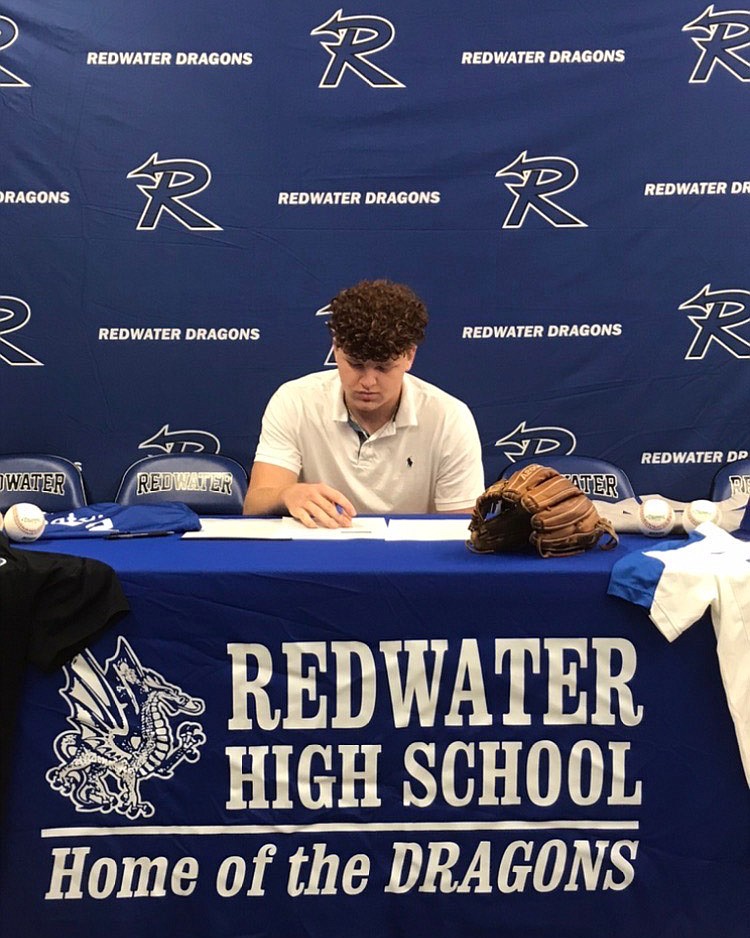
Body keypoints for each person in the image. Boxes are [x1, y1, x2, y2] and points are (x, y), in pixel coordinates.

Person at [244, 279, 485, 527]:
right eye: (356, 364)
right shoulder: (295, 400)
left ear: (409, 356)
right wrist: (286, 495)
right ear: (336, 349)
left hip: (411, 560)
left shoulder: (449, 417)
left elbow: (460, 529)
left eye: (383, 367)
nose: (368, 381)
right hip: (317, 554)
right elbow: (254, 505)